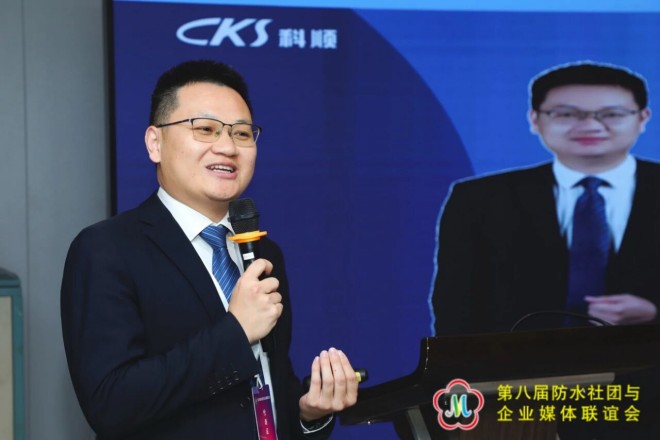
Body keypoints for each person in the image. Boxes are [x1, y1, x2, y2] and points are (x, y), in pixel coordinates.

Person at [61, 60, 357, 439]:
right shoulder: (106, 250)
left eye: (242, 133)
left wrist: (308, 414)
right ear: (155, 143)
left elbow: (266, 388)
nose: (228, 147)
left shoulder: (263, 252)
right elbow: (111, 403)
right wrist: (236, 331)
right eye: (205, 129)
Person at [430, 61, 659, 438]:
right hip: (519, 400)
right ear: (535, 119)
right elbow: (456, 308)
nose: (590, 125)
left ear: (642, 118)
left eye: (611, 114)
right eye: (567, 114)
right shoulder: (480, 200)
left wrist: (654, 312)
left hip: (647, 394)